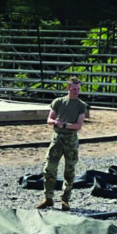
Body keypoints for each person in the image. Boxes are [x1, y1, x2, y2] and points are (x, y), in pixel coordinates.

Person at [36, 77, 87, 211]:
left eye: (78, 89)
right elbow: (49, 118)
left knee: (69, 170)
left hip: (71, 140)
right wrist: (55, 122)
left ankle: (65, 199)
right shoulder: (58, 102)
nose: (76, 92)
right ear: (68, 88)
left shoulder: (81, 105)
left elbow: (78, 125)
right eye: (74, 89)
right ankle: (48, 198)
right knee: (49, 168)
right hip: (57, 138)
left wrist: (64, 124)